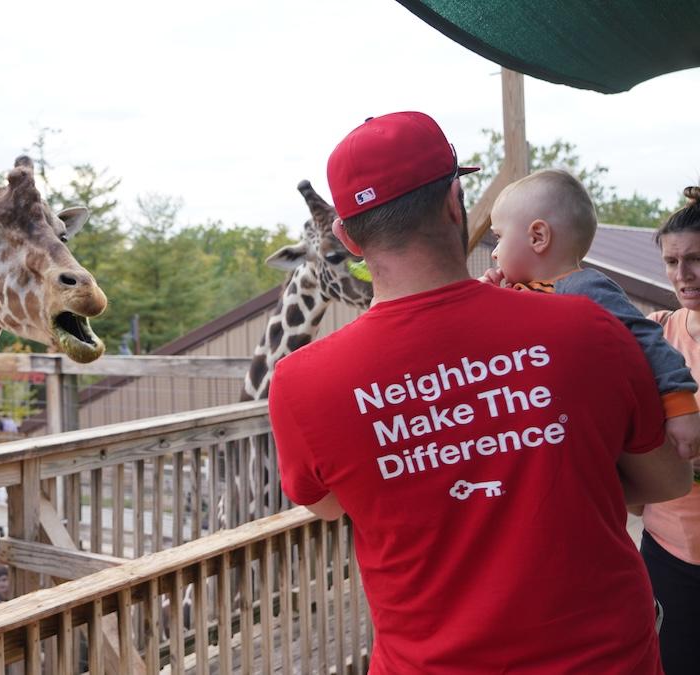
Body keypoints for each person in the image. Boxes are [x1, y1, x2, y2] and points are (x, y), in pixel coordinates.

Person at [268, 111, 692, 673]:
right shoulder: (587, 328)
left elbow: (330, 504)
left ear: (346, 235)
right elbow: (668, 479)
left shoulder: (301, 383)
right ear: (454, 201)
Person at [483, 169, 700, 459]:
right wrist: (487, 300)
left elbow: (646, 340)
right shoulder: (519, 293)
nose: (495, 253)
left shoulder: (586, 288)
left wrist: (679, 406)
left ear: (538, 236)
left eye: (498, 238)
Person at [641, 187, 700, 674]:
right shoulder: (656, 333)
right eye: (673, 261)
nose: (684, 275)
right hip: (668, 549)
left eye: (697, 259)